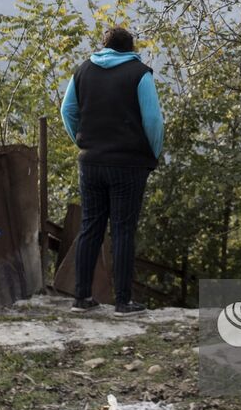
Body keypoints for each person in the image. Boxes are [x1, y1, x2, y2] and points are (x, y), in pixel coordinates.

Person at [59, 26, 164, 314]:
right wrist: (151, 154)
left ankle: (81, 298)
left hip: (90, 161)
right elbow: (153, 120)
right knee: (122, 230)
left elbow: (66, 111)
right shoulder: (139, 73)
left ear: (103, 46)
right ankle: (123, 301)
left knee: (90, 227)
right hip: (128, 164)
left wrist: (82, 141)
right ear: (130, 49)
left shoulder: (82, 71)